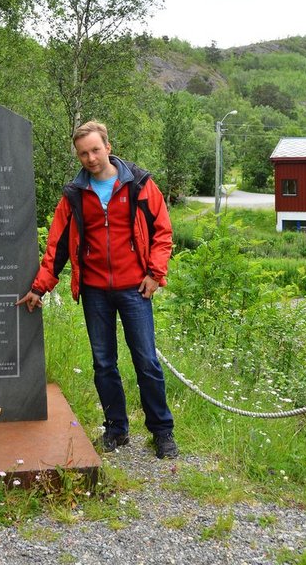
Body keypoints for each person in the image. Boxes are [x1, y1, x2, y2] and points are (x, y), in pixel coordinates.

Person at [17, 120, 178, 458]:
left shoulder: (140, 184)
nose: (90, 158)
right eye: (82, 153)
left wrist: (155, 273)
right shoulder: (75, 194)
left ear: (107, 145)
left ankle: (162, 432)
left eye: (94, 149)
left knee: (146, 360)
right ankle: (116, 430)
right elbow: (57, 245)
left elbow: (162, 233)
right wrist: (39, 287)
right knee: (104, 364)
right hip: (94, 291)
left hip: (135, 289)